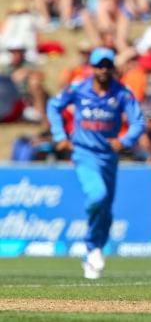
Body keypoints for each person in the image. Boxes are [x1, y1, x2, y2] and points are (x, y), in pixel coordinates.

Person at [46, 47, 145, 279]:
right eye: (99, 65)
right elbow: (53, 105)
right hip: (83, 153)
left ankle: (95, 249)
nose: (103, 70)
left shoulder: (122, 93)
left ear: (113, 68)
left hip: (109, 156)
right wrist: (60, 135)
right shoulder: (79, 87)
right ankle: (91, 245)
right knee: (97, 195)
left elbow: (138, 121)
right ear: (91, 67)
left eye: (107, 65)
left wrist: (125, 140)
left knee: (106, 210)